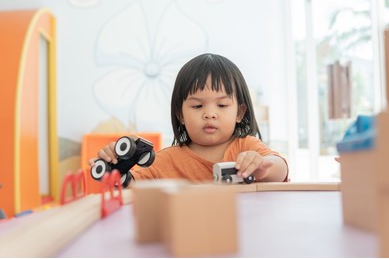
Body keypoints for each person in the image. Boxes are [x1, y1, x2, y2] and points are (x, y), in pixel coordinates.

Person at [89, 53, 288, 184]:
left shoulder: (247, 147)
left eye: (221, 105)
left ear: (239, 112)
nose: (210, 113)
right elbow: (133, 187)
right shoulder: (166, 160)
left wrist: (262, 166)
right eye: (197, 105)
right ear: (180, 114)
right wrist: (115, 169)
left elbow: (280, 169)